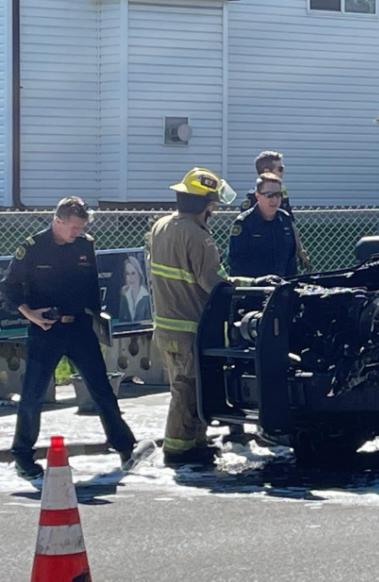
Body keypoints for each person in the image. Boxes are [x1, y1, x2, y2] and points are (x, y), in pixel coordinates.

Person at [1, 197, 143, 480]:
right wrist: (29, 314)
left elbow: (91, 283)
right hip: (46, 329)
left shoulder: (84, 244)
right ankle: (22, 456)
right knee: (33, 393)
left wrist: (98, 318)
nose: (77, 232)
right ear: (58, 221)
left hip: (79, 327)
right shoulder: (33, 247)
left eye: (81, 228)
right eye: (74, 227)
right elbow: (9, 288)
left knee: (102, 388)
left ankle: (124, 446)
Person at [147, 167, 259, 466]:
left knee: (185, 387)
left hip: (165, 326)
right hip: (189, 328)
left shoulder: (161, 226)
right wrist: (248, 284)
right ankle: (178, 450)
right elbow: (212, 281)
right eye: (213, 203)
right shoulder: (199, 238)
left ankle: (194, 442)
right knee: (189, 391)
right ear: (205, 204)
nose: (215, 208)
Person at [239, 151, 312, 272]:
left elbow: (290, 223)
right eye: (280, 168)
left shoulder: (282, 193)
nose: (283, 172)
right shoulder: (252, 198)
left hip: (284, 258)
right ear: (267, 171)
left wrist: (300, 250)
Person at [228, 173, 298, 278]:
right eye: (269, 195)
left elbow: (291, 261)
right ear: (257, 196)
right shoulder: (244, 223)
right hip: (255, 289)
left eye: (278, 195)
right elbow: (236, 264)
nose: (274, 200)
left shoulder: (285, 220)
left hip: (282, 287)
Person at [118, 255, 152, 323]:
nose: (130, 277)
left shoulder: (147, 295)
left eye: (133, 273)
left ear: (139, 274)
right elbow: (121, 320)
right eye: (127, 274)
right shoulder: (124, 295)